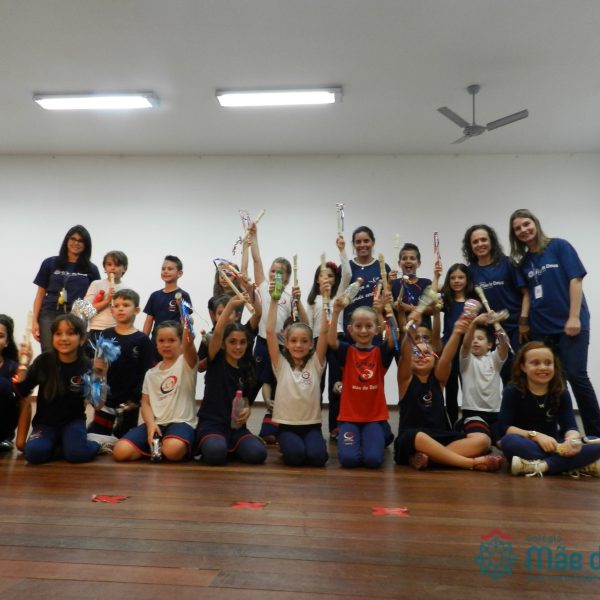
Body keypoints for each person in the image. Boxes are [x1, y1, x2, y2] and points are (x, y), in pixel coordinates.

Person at [509, 208, 600, 437]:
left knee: (576, 376)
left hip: (570, 325)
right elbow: (528, 295)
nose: (523, 230)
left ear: (535, 223)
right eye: (518, 228)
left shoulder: (559, 246)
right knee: (553, 380)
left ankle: (595, 433)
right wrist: (523, 322)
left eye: (526, 224)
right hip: (541, 328)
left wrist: (574, 317)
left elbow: (575, 280)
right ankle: (562, 432)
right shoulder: (524, 263)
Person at [394, 315, 503, 472]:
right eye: (416, 353)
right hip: (412, 439)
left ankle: (429, 459)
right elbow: (405, 355)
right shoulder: (405, 380)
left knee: (483, 440)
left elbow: (446, 358)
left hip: (441, 436)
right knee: (419, 436)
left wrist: (457, 332)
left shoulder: (439, 380)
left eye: (426, 353)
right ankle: (471, 463)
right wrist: (411, 330)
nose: (421, 356)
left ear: (435, 361)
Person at [14, 314, 111, 464]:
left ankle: (96, 443)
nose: (64, 338)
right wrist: (23, 364)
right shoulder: (43, 361)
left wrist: (101, 375)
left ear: (82, 339)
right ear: (52, 337)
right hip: (45, 424)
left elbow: (97, 404)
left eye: (70, 333)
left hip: (73, 422)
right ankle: (64, 446)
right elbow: (22, 391)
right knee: (33, 453)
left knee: (77, 454)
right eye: (58, 333)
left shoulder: (86, 365)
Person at [497, 342, 600, 477]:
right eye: (535, 363)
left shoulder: (561, 392)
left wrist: (572, 439)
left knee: (595, 442)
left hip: (556, 445)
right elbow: (505, 427)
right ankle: (572, 465)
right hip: (527, 443)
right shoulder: (512, 391)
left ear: (554, 366)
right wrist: (536, 436)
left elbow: (570, 427)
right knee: (509, 442)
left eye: (548, 363)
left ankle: (541, 466)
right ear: (523, 367)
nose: (543, 367)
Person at [194, 295, 267, 466]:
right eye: (232, 342)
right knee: (216, 453)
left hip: (236, 428)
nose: (238, 347)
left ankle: (230, 445)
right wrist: (231, 306)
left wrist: (247, 411)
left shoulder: (247, 367)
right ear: (223, 344)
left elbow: (246, 399)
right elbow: (218, 331)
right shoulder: (215, 358)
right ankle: (215, 444)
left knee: (258, 454)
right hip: (212, 425)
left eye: (242, 342)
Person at [113, 319, 198, 462]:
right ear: (156, 344)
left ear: (181, 343)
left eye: (172, 340)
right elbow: (145, 403)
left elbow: (189, 345)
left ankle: (168, 446)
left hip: (181, 423)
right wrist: (151, 425)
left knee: (172, 450)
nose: (166, 344)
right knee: (120, 452)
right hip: (156, 424)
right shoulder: (151, 373)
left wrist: (187, 327)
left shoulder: (186, 363)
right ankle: (157, 448)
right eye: (161, 340)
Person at [244, 221, 298, 442]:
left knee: (275, 386)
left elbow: (294, 323)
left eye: (280, 272)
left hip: (280, 348)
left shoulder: (290, 297)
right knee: (253, 383)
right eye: (272, 270)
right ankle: (239, 424)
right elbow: (257, 260)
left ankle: (270, 428)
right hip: (262, 344)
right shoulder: (263, 288)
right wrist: (254, 237)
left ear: (286, 278)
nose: (274, 274)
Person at [327, 294, 394, 469]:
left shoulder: (380, 353)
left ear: (376, 329)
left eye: (368, 326)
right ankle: (371, 438)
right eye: (358, 326)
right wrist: (336, 312)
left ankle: (382, 433)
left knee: (373, 460)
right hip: (349, 418)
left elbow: (392, 339)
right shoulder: (346, 352)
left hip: (374, 419)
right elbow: (331, 341)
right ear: (350, 329)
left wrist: (382, 312)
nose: (363, 330)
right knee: (348, 460)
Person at [268, 280, 329, 467]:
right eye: (293, 341)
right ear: (286, 343)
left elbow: (324, 332)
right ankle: (285, 443)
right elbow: (269, 332)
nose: (298, 345)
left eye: (304, 341)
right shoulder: (281, 364)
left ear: (311, 344)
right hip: (287, 427)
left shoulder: (315, 363)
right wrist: (274, 300)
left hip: (312, 426)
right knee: (295, 458)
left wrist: (325, 299)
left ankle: (311, 444)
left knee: (318, 459)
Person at [87, 289, 154, 438]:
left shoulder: (142, 340)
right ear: (112, 311)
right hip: (106, 399)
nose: (120, 309)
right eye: (116, 306)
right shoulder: (106, 334)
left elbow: (146, 373)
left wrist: (136, 399)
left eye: (126, 305)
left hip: (129, 402)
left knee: (123, 439)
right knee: (96, 436)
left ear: (136, 310)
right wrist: (96, 392)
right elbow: (98, 368)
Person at [462, 224, 522, 382]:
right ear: (470, 246)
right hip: (491, 334)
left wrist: (523, 320)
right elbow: (471, 303)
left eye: (484, 240)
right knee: (504, 376)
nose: (480, 244)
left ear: (491, 241)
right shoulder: (470, 272)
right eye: (475, 241)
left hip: (516, 329)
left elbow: (524, 293)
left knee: (522, 373)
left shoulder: (508, 263)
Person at [32, 225, 100, 352]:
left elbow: (95, 299)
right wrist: (34, 321)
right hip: (49, 313)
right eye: (73, 239)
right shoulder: (50, 263)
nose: (76, 243)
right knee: (49, 352)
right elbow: (40, 294)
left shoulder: (91, 269)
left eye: (81, 241)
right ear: (67, 240)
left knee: (73, 353)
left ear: (86, 245)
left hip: (76, 315)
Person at [305, 261, 342, 440]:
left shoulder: (338, 297)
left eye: (330, 276)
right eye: (322, 275)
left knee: (336, 384)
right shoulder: (312, 301)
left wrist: (342, 251)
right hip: (317, 341)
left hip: (335, 340)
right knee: (316, 384)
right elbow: (308, 325)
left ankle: (335, 426)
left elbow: (347, 274)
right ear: (316, 279)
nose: (326, 279)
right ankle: (313, 424)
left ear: (335, 280)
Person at [459, 313, 509, 439]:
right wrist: (474, 323)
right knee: (481, 441)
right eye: (473, 339)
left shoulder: (494, 359)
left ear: (489, 344)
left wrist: (496, 322)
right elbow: (466, 345)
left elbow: (504, 345)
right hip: (472, 413)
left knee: (503, 443)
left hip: (495, 413)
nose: (475, 341)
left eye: (480, 338)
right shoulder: (466, 360)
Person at [440, 263, 476, 425]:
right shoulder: (446, 300)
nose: (456, 281)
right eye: (453, 278)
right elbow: (432, 293)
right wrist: (436, 276)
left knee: (469, 387)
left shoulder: (474, 302)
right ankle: (453, 423)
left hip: (468, 350)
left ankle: (470, 422)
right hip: (449, 349)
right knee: (451, 389)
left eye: (461, 277)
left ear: (467, 279)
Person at [338, 226, 390, 332]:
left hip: (375, 328)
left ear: (373, 242)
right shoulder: (345, 268)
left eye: (366, 241)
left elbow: (388, 298)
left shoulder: (382, 267)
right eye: (358, 242)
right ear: (353, 244)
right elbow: (338, 297)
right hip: (351, 327)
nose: (362, 245)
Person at [143, 255, 193, 361]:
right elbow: (149, 321)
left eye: (170, 269)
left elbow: (186, 322)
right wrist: (143, 340)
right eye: (163, 269)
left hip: (175, 342)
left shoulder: (183, 295)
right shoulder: (154, 295)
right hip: (156, 341)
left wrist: (180, 306)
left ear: (179, 273)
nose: (165, 271)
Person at [84, 250, 128, 343]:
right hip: (96, 328)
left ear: (124, 268)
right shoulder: (96, 284)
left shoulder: (126, 289)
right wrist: (107, 300)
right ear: (104, 268)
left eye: (117, 265)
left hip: (117, 329)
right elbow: (86, 310)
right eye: (109, 264)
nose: (112, 268)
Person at [392, 243, 433, 329]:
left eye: (412, 258)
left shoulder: (426, 283)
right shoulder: (394, 284)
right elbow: (389, 308)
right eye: (404, 258)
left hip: (423, 332)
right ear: (399, 263)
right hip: (402, 333)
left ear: (419, 263)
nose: (408, 261)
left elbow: (433, 310)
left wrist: (409, 308)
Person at [0, 315, 19, 451]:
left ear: (7, 342)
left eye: (0, 336)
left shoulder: (13, 367)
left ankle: (5, 438)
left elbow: (22, 399)